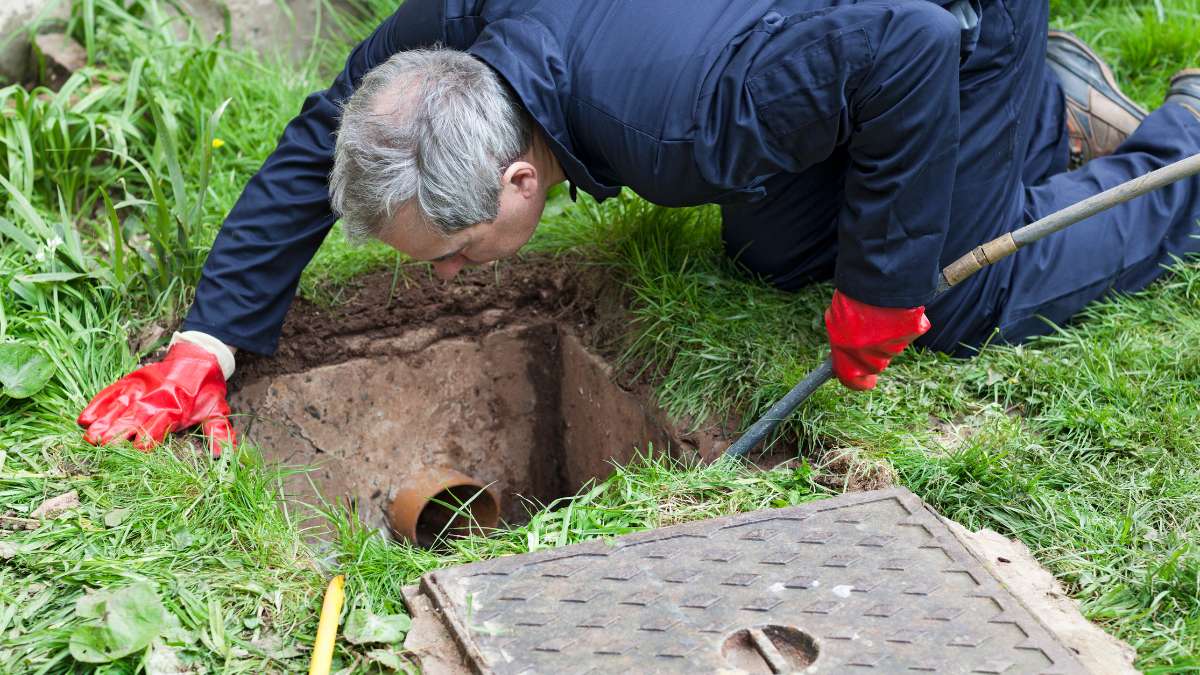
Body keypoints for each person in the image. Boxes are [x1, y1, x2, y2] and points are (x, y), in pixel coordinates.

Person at [77, 1, 1200, 457]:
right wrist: (207, 342)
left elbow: (900, 38)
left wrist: (887, 284)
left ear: (522, 179)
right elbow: (334, 115)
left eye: (459, 252)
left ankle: (1170, 144)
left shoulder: (682, 126)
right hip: (825, 32)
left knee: (952, 295)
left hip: (935, 18)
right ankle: (1034, 116)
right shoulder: (460, 35)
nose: (453, 276)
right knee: (773, 250)